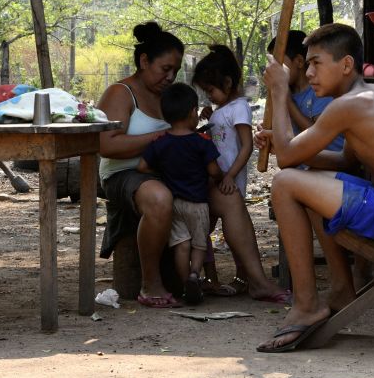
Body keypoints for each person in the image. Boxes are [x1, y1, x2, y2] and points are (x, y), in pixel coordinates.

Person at [255, 23, 374, 353]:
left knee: (286, 183)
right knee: (307, 176)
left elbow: (285, 160)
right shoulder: (371, 95)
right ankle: (341, 287)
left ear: (345, 65)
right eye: (307, 64)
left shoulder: (349, 106)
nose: (309, 72)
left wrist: (280, 93)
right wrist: (284, 140)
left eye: (316, 63)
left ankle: (307, 304)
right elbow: (346, 161)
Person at [97, 22, 288, 308]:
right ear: (144, 60)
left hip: (172, 171)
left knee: (228, 195)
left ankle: (258, 282)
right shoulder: (121, 93)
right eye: (165, 69)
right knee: (159, 197)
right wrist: (158, 137)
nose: (170, 77)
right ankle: (151, 286)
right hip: (127, 174)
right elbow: (106, 146)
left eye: (175, 71)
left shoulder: (169, 96)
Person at [193, 44, 289, 303]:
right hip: (220, 177)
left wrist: (228, 176)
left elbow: (246, 146)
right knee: (207, 228)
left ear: (227, 82)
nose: (209, 96)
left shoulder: (239, 107)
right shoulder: (222, 109)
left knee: (215, 227)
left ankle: (239, 277)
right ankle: (217, 277)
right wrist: (209, 117)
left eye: (211, 90)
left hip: (228, 178)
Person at [137, 82, 223, 305]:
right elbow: (214, 171)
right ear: (193, 112)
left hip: (174, 204)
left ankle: (186, 284)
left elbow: (142, 167)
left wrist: (163, 170)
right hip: (199, 204)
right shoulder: (202, 142)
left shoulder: (161, 142)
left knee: (182, 245)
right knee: (198, 244)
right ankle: (195, 274)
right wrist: (221, 178)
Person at [267, 30, 344, 153]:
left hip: (328, 166)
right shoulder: (284, 91)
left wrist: (286, 100)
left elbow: (318, 136)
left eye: (278, 63)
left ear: (299, 61)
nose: (272, 69)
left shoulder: (319, 91)